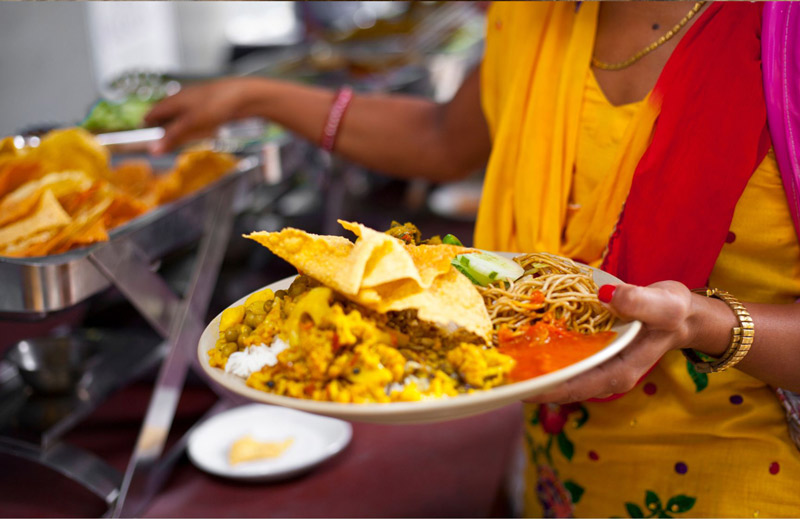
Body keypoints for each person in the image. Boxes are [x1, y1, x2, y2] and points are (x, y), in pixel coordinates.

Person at [146, 2, 800, 516]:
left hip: (745, 485)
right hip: (560, 476)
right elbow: (441, 137)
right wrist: (256, 98)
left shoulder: (782, 38)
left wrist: (700, 322)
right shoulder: (538, 17)